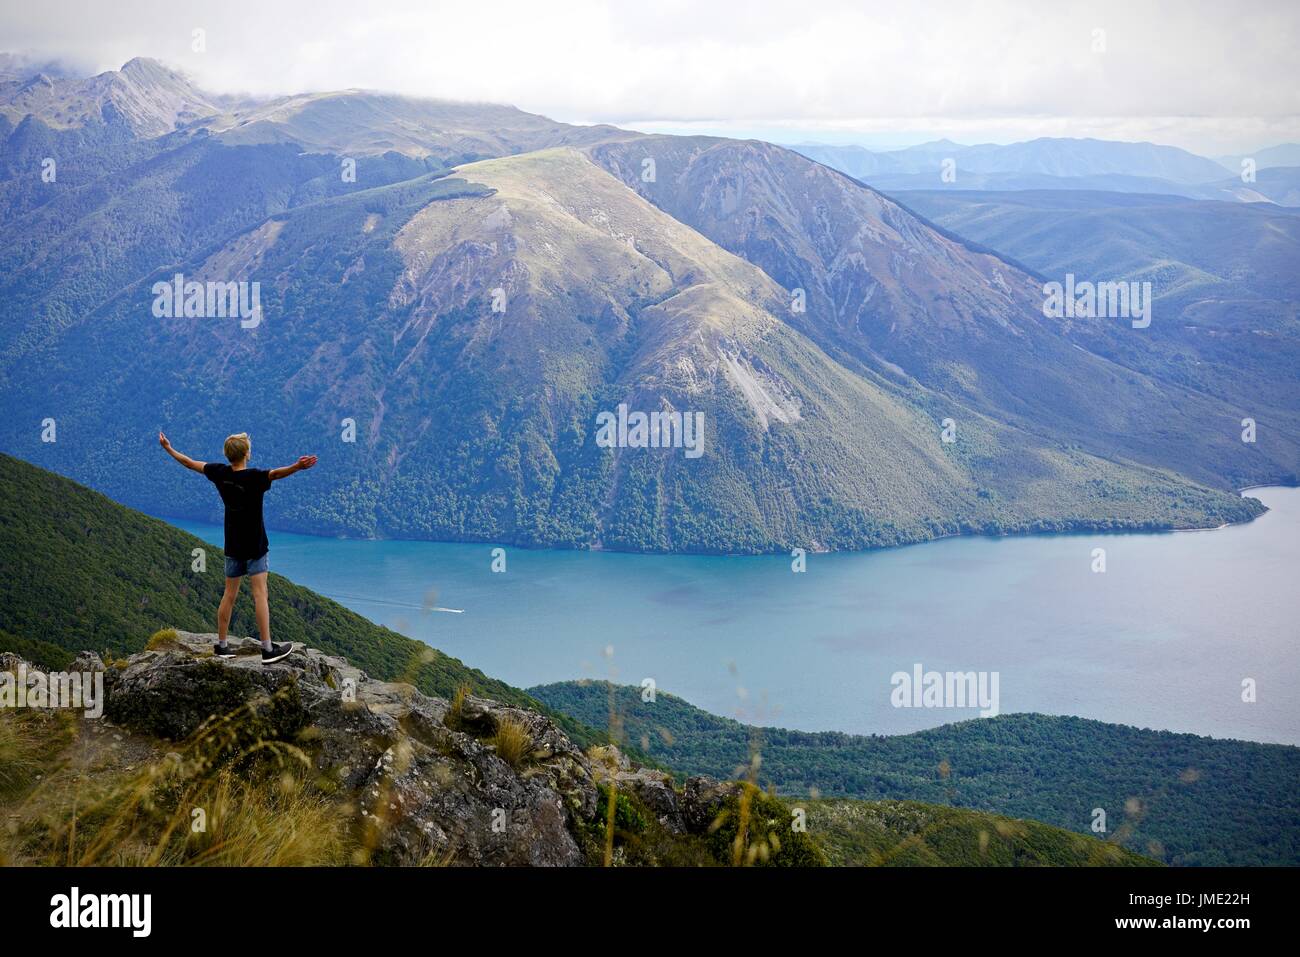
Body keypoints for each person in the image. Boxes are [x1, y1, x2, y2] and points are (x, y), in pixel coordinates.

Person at [159, 431, 317, 663]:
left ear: (227, 454)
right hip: (255, 545)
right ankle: (267, 649)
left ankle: (221, 646)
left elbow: (188, 462)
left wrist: (168, 448)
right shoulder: (255, 477)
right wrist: (298, 466)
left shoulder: (219, 473)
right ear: (247, 454)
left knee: (229, 595)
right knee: (260, 594)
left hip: (232, 545)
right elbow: (277, 474)